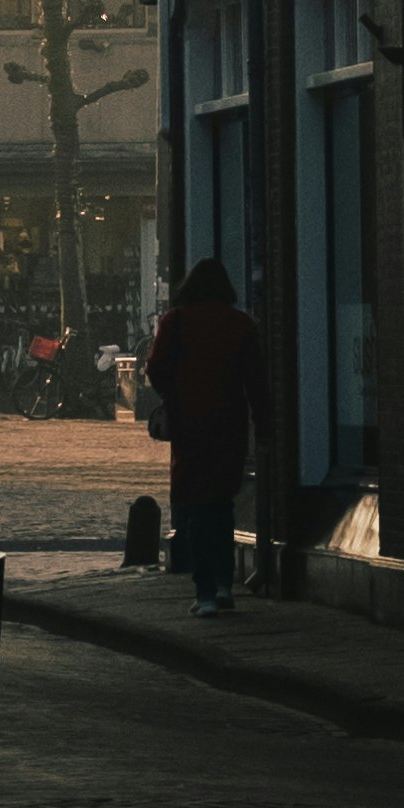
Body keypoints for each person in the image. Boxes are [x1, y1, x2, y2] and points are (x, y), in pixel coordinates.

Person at [137, 258, 263, 615]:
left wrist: (175, 397)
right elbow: (256, 380)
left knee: (193, 509)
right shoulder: (240, 325)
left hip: (190, 426)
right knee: (222, 506)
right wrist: (264, 424)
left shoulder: (175, 322)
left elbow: (155, 368)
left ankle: (205, 590)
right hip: (229, 425)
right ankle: (224, 582)